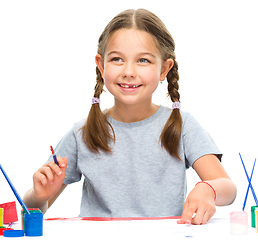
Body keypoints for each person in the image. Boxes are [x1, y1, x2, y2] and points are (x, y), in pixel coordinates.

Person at [23, 9, 236, 225]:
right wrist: (38, 196)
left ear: (164, 69)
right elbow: (31, 210)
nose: (129, 71)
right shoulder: (83, 133)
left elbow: (228, 189)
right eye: (117, 59)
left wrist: (207, 188)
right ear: (101, 65)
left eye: (143, 60)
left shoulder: (182, 125)